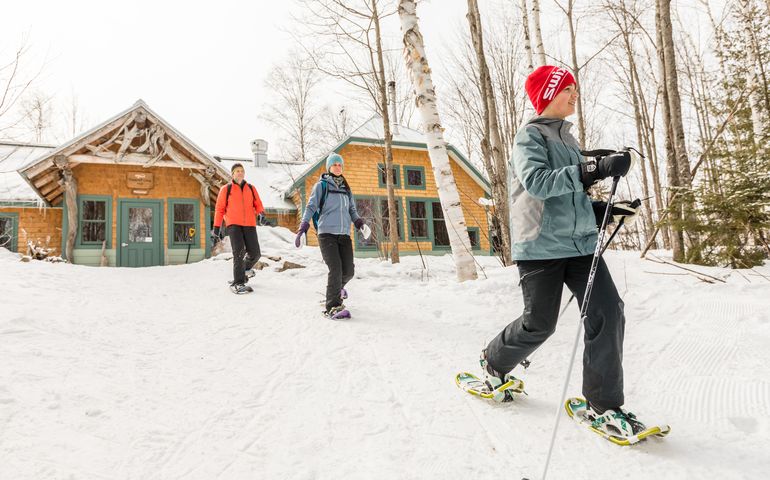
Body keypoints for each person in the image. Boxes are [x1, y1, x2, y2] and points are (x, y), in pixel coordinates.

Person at [480, 65, 643, 437]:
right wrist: (595, 168)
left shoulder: (568, 140)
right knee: (540, 324)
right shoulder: (529, 137)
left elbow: (571, 195)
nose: (575, 95)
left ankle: (603, 405)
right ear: (550, 93)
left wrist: (604, 209)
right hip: (540, 248)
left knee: (608, 312)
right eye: (568, 89)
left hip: (580, 244)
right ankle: (493, 361)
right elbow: (537, 184)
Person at [295, 153, 367, 319]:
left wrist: (360, 224)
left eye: (340, 165)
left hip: (343, 234)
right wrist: (303, 227)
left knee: (348, 271)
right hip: (326, 234)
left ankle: (336, 290)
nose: (338, 167)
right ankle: (332, 306)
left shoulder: (346, 188)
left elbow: (352, 210)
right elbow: (311, 207)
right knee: (335, 270)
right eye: (334, 164)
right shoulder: (322, 186)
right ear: (329, 167)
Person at [212, 163, 265, 294]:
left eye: (242, 171)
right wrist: (216, 227)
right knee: (239, 252)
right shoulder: (226, 189)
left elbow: (258, 204)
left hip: (250, 224)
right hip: (234, 225)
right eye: (237, 171)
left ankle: (244, 270)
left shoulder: (251, 188)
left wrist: (261, 214)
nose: (240, 173)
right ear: (232, 174)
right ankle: (238, 282)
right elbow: (219, 209)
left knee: (255, 253)